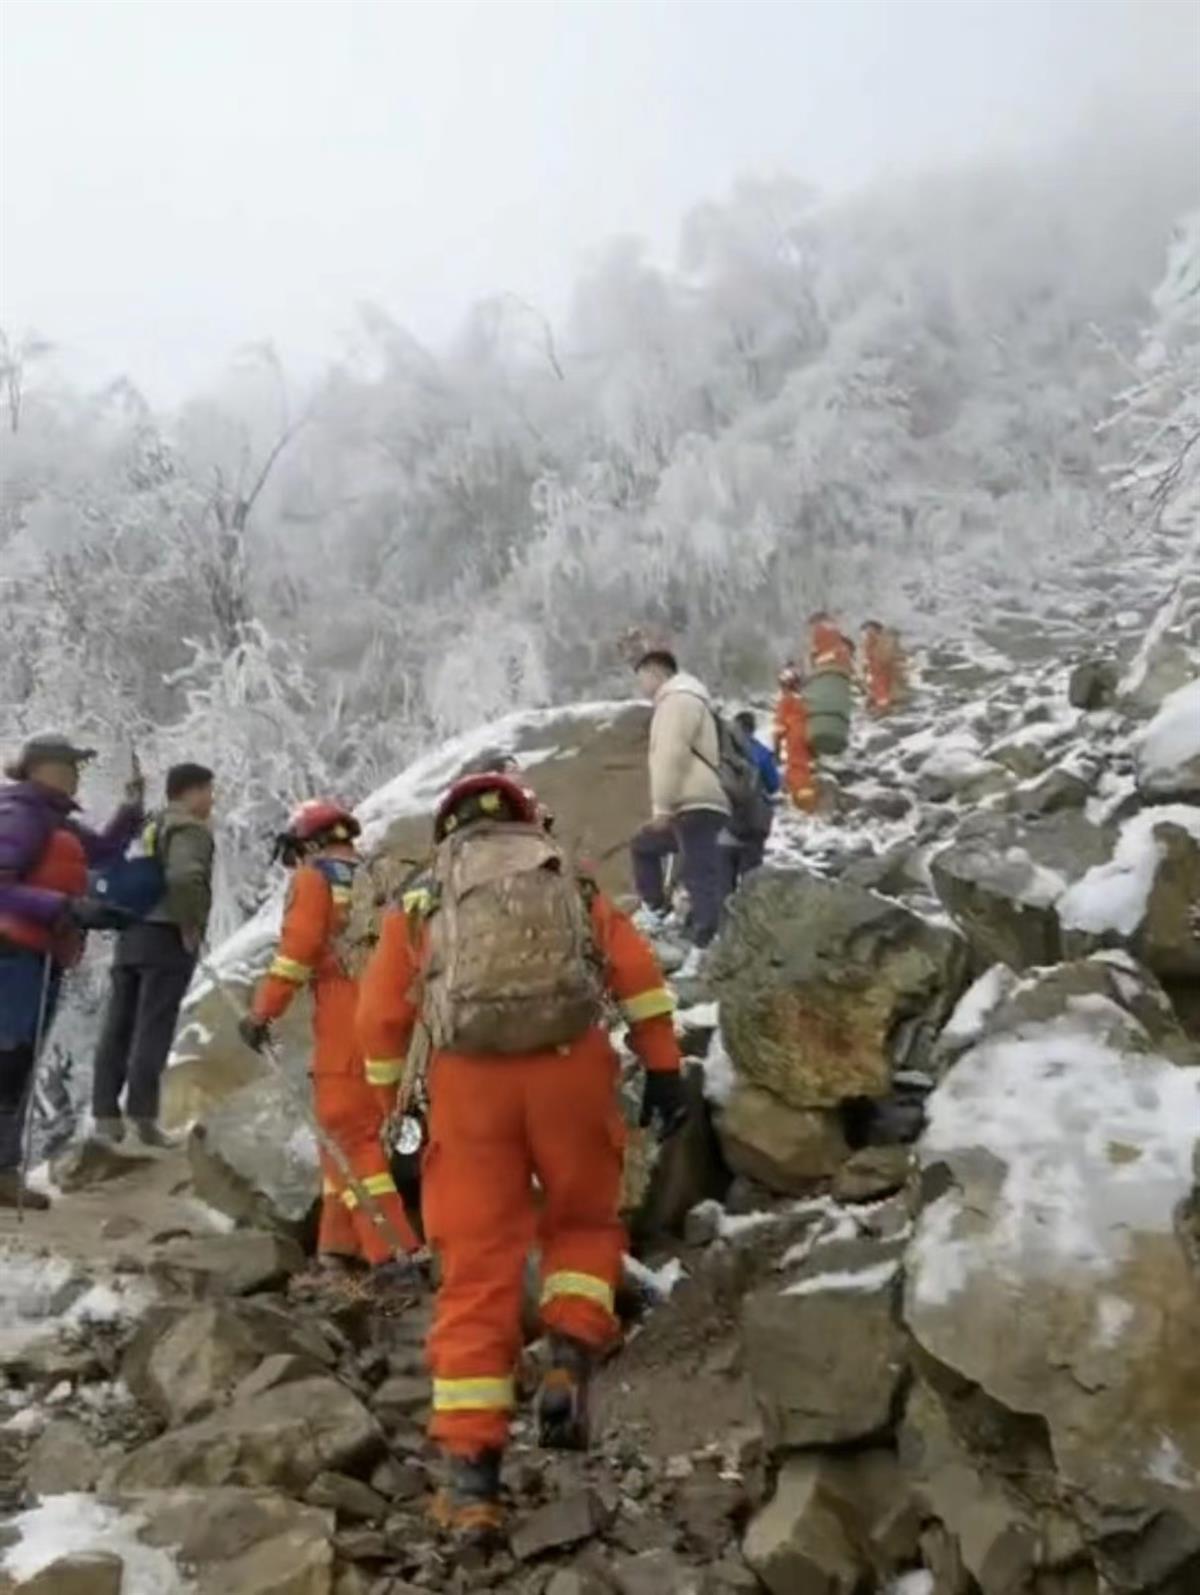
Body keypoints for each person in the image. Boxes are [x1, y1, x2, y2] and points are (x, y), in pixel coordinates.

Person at [357, 773, 684, 1545]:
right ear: (525, 817)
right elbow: (634, 971)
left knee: (476, 1272)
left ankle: (472, 1484)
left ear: (448, 833)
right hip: (573, 1069)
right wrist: (664, 1064)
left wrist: (394, 1118)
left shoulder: (424, 900)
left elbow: (379, 1023)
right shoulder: (561, 873)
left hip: (468, 1091)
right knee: (581, 1222)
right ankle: (570, 1353)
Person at [238, 800, 421, 1282]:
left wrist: (262, 1012)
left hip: (346, 1020)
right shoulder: (378, 880)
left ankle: (393, 1250)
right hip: (397, 1017)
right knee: (344, 1133)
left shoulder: (314, 879)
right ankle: (338, 1247)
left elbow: (296, 953)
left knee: (352, 1135)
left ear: (307, 845)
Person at [0, 734, 143, 1208]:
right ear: (40, 768)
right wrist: (64, 906)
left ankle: (3, 1172)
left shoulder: (54, 819)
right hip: (11, 956)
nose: (76, 773)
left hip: (38, 955)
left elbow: (102, 853)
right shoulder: (22, 812)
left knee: (18, 1064)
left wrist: (131, 810)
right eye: (69, 765)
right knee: (7, 1061)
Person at [91, 762, 216, 1147]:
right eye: (209, 791)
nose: (212, 800)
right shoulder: (189, 828)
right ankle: (144, 1118)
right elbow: (184, 877)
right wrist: (189, 922)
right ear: (191, 792)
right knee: (153, 1026)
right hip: (166, 936)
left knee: (119, 1025)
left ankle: (106, 1114)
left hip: (131, 932)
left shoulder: (149, 825)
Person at [629, 650, 730, 967]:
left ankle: (704, 947)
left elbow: (670, 756)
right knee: (645, 846)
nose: (641, 686)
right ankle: (658, 910)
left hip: (694, 801)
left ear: (655, 673)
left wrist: (662, 806)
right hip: (698, 799)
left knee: (700, 873)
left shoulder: (677, 700)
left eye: (641, 677)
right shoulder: (686, 700)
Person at [722, 710, 779, 890]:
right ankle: (749, 914)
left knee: (722, 884)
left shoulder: (721, 752)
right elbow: (774, 784)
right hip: (754, 825)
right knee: (751, 883)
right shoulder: (762, 753)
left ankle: (723, 915)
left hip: (724, 826)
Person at [773, 667, 819, 812]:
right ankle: (809, 799)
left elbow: (779, 728)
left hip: (795, 737)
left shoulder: (786, 701)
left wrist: (777, 748)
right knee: (807, 768)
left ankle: (805, 805)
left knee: (797, 769)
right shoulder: (805, 701)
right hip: (810, 734)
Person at [862, 620, 906, 714]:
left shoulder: (881, 649)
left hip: (891, 700)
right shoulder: (870, 655)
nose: (866, 638)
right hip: (883, 700)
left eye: (869, 633)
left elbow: (885, 662)